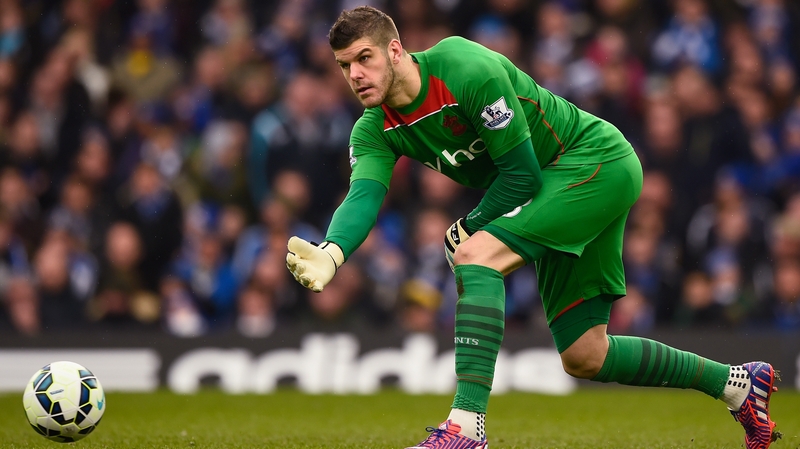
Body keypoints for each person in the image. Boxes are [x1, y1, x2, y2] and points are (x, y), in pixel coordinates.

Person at [285, 6, 780, 449]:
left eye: (364, 57)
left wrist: (471, 223)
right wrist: (333, 251)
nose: (355, 74)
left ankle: (465, 425)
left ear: (395, 49)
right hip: (556, 188)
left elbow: (521, 176)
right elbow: (364, 195)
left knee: (476, 254)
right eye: (345, 65)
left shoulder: (463, 68)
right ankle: (737, 383)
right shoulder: (374, 127)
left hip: (593, 162)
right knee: (587, 355)